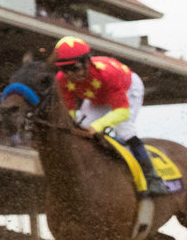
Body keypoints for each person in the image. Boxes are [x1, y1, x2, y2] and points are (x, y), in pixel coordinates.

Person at [50, 36, 160, 192]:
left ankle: (153, 178)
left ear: (87, 62)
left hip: (128, 89)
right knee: (81, 128)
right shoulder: (62, 79)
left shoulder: (108, 73)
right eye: (64, 69)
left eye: (74, 68)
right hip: (96, 96)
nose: (70, 75)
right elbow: (70, 112)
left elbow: (121, 112)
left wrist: (97, 126)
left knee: (124, 131)